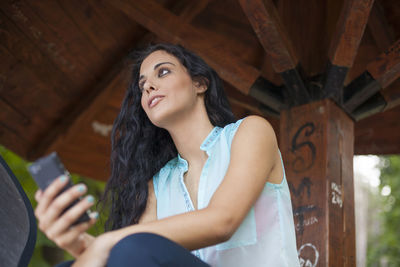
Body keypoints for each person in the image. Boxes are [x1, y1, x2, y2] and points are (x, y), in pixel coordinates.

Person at [34, 43, 300, 267]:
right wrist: (81, 245)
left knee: (132, 247)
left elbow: (223, 221)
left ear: (199, 83)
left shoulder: (251, 131)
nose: (148, 86)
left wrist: (106, 242)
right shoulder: (156, 186)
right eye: (142, 85)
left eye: (162, 72)